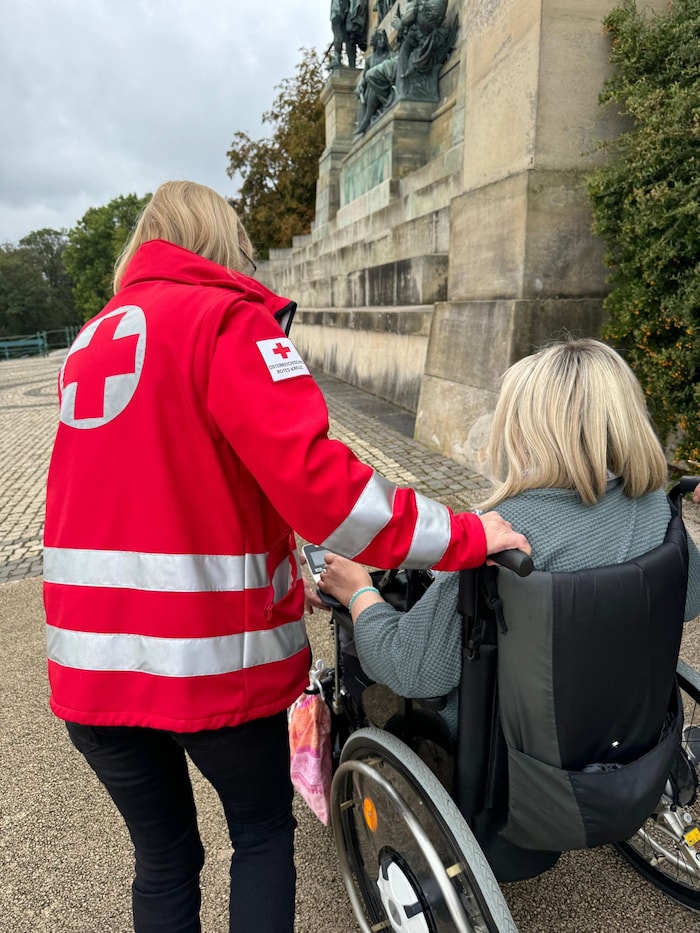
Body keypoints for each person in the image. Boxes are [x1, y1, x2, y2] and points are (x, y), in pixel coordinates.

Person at [42, 180, 528, 933]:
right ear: (221, 240)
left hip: (88, 658)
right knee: (261, 832)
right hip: (211, 658)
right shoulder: (224, 319)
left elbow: (161, 488)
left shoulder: (89, 341)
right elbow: (326, 492)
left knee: (163, 859)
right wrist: (465, 534)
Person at [318, 337, 700, 738]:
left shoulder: (506, 535)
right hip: (630, 729)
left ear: (529, 429)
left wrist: (358, 592)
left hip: (509, 748)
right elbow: (688, 602)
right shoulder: (656, 505)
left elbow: (409, 668)